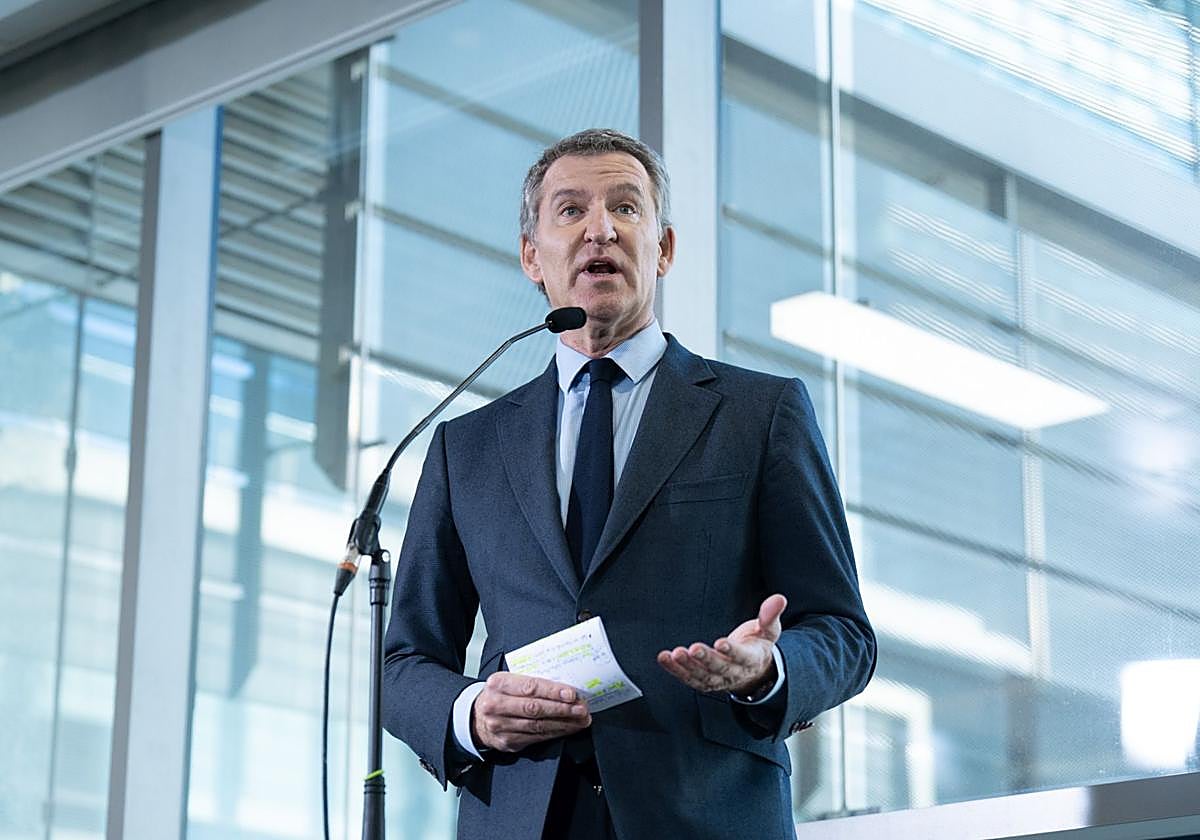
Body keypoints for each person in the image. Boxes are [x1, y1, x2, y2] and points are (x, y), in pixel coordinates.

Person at [381, 128, 875, 840]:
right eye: (571, 210)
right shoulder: (467, 447)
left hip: (703, 811)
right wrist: (471, 713)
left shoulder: (761, 414)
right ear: (532, 258)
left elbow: (844, 633)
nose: (600, 229)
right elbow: (405, 662)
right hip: (522, 814)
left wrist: (769, 667)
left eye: (626, 208)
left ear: (664, 249)